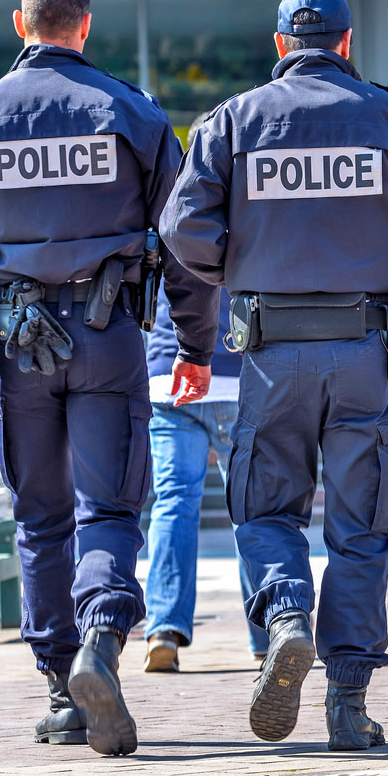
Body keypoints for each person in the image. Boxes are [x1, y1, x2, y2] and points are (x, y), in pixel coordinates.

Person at [0, 0, 217, 757]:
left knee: (41, 516)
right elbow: (186, 245)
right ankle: (101, 642)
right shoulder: (134, 114)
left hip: (18, 346)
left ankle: (62, 690)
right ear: (85, 25)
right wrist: (194, 343)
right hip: (111, 333)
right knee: (108, 508)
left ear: (22, 25)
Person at [164, 0, 388, 750]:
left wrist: (242, 260)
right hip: (368, 349)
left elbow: (181, 227)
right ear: (345, 42)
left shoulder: (233, 121)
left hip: (269, 353)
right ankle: (347, 701)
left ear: (279, 46)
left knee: (266, 508)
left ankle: (285, 614)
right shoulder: (387, 114)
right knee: (363, 525)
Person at [143, 285, 269, 671]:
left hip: (171, 374)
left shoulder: (165, 221)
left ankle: (164, 630)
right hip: (239, 373)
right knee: (251, 508)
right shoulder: (252, 221)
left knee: (173, 504)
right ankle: (268, 632)